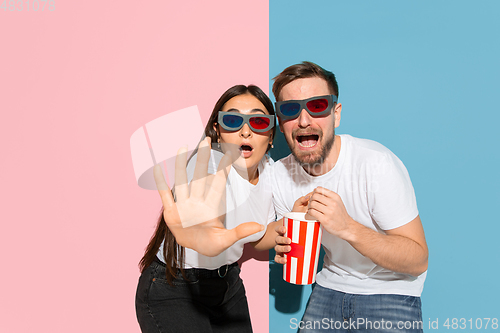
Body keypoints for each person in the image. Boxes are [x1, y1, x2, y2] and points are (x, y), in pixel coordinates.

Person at [272, 62, 428, 332]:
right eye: (290, 109)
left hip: (390, 290)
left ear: (337, 114)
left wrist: (347, 228)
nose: (304, 120)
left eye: (318, 106)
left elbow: (417, 260)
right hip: (328, 287)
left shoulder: (375, 164)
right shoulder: (279, 175)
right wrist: (284, 241)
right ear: (280, 122)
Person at [135, 84, 282, 333]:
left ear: (270, 136)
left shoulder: (269, 171)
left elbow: (258, 237)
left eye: (258, 121)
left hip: (227, 284)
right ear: (217, 131)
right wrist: (204, 230)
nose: (245, 131)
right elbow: (203, 193)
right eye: (233, 120)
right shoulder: (208, 165)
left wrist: (288, 226)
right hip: (175, 286)